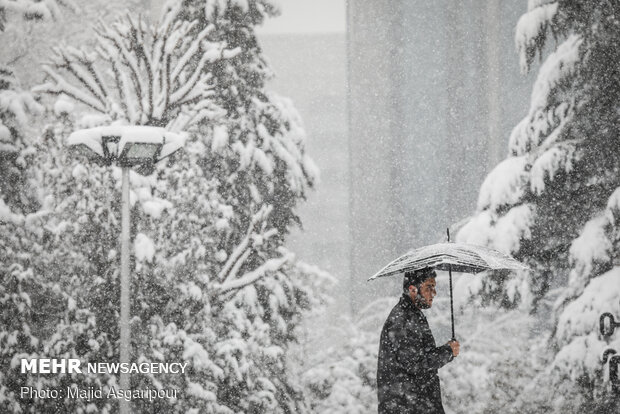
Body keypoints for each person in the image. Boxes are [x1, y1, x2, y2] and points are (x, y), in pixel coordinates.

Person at [377, 267, 459, 414]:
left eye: (434, 287)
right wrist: (447, 351)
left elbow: (420, 359)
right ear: (413, 289)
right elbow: (416, 365)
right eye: (429, 287)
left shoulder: (412, 316)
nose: (434, 293)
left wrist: (447, 350)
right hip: (408, 407)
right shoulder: (402, 320)